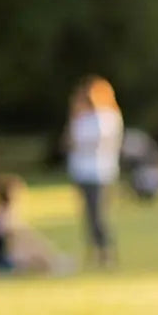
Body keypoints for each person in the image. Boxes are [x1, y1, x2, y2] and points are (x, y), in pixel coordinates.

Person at [65, 76, 123, 267]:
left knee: (97, 215)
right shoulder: (82, 118)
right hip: (82, 171)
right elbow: (69, 141)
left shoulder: (107, 117)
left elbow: (88, 142)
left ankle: (105, 252)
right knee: (89, 215)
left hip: (99, 172)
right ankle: (95, 252)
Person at [0, 175, 72, 276]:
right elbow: (19, 243)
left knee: (31, 257)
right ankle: (54, 264)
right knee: (30, 259)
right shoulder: (3, 216)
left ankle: (54, 262)